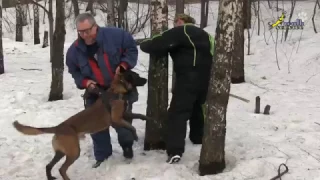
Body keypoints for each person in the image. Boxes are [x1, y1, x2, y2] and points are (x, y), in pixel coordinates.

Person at [66, 13, 139, 168]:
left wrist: (124, 65)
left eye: (87, 30)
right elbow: (75, 71)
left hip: (118, 89)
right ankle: (102, 155)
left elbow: (131, 50)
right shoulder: (74, 51)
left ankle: (127, 146)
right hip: (95, 92)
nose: (84, 35)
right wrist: (86, 82)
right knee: (95, 123)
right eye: (80, 32)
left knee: (121, 120)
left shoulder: (116, 36)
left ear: (95, 26)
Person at [140, 14, 214, 164]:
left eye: (176, 22)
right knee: (197, 107)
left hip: (188, 78)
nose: (174, 24)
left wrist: (142, 43)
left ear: (182, 22)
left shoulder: (182, 31)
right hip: (206, 77)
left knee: (177, 114)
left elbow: (155, 44)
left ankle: (175, 150)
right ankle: (198, 137)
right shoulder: (207, 35)